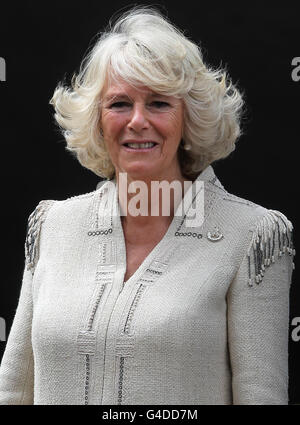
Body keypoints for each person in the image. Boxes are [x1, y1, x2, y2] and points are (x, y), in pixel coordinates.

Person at [0, 6, 295, 405]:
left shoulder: (251, 236)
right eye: (120, 104)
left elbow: (262, 396)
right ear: (98, 120)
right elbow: (14, 388)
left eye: (158, 103)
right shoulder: (54, 225)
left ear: (189, 118)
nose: (138, 120)